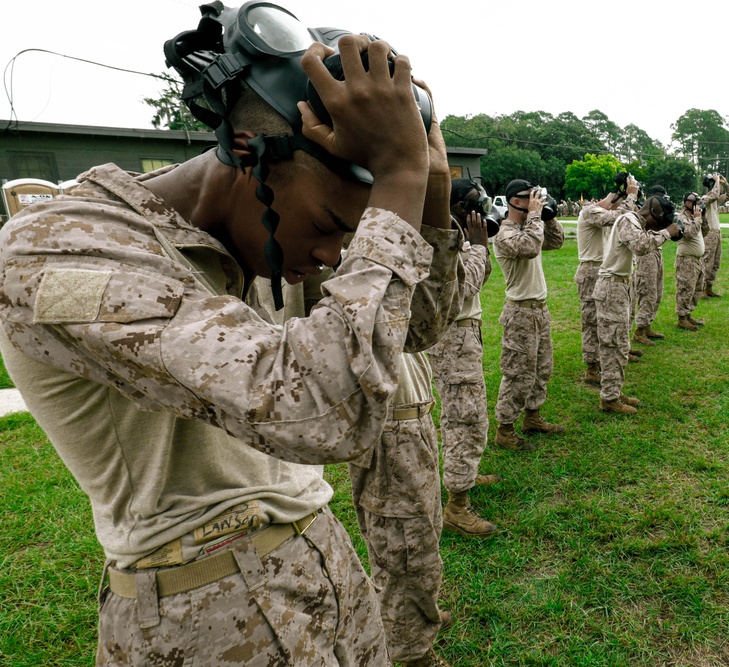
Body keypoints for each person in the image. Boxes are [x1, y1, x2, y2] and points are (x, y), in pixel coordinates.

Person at [0, 3, 461, 663]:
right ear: (247, 158)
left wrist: (431, 186)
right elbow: (322, 412)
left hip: (323, 576)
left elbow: (411, 329)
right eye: (332, 221)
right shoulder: (62, 244)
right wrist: (398, 176)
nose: (336, 255)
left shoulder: (256, 238)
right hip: (203, 616)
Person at [426, 179, 500, 539]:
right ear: (455, 205)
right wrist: (480, 248)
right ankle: (456, 505)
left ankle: (463, 475)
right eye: (474, 205)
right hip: (454, 336)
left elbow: (480, 278)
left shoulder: (458, 233)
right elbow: (463, 287)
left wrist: (477, 247)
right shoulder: (442, 237)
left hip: (463, 333)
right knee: (465, 417)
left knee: (465, 413)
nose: (480, 212)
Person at [493, 179, 566, 451]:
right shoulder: (505, 234)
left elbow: (556, 241)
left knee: (541, 368)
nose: (535, 200)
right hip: (519, 312)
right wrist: (535, 216)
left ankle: (532, 417)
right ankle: (505, 429)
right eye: (530, 197)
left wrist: (549, 216)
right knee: (517, 372)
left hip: (540, 310)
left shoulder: (530, 228)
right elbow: (530, 248)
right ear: (515, 201)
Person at [595, 194, 671, 414]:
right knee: (613, 345)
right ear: (651, 213)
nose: (658, 227)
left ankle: (614, 391)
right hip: (612, 288)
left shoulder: (635, 222)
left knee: (620, 343)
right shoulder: (629, 219)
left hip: (620, 286)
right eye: (660, 221)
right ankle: (609, 398)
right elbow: (640, 245)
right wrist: (667, 233)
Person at [575, 178, 638, 385]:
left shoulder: (600, 211)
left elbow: (614, 208)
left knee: (605, 320)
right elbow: (621, 216)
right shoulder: (590, 212)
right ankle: (592, 367)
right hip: (590, 270)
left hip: (600, 270)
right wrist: (630, 195)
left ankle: (606, 359)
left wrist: (621, 195)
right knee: (592, 320)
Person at [632, 185, 669, 344]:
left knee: (657, 292)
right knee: (648, 292)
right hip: (646, 254)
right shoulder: (644, 211)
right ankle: (639, 331)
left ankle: (647, 325)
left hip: (656, 252)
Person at [675, 192, 709, 331]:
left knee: (697, 288)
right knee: (686, 288)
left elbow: (705, 232)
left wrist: (703, 217)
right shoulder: (681, 217)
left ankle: (688, 314)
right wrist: (697, 219)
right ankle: (682, 318)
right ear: (688, 203)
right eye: (697, 202)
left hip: (697, 260)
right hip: (686, 260)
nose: (699, 205)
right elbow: (689, 234)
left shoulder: (696, 218)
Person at [700, 172, 729, 298]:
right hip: (709, 233)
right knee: (707, 261)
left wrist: (725, 184)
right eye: (717, 185)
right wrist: (716, 182)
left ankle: (709, 287)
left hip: (717, 233)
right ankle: (701, 288)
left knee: (715, 262)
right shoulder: (704, 199)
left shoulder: (716, 200)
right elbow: (713, 195)